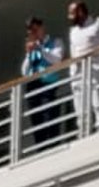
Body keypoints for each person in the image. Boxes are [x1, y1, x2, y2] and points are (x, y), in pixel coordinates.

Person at [66, 0, 99, 133]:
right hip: (78, 73)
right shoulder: (73, 31)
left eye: (72, 13)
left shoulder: (98, 24)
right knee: (80, 108)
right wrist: (72, 74)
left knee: (98, 103)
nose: (69, 17)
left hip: (95, 68)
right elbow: (73, 52)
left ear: (80, 12)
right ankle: (83, 133)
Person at [19, 15, 67, 150]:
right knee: (37, 121)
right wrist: (29, 54)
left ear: (41, 28)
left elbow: (56, 60)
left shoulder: (55, 42)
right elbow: (24, 71)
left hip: (48, 86)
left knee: (49, 117)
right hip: (33, 87)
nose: (33, 33)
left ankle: (51, 146)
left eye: (35, 29)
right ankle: (41, 149)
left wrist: (40, 49)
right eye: (30, 31)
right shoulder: (33, 48)